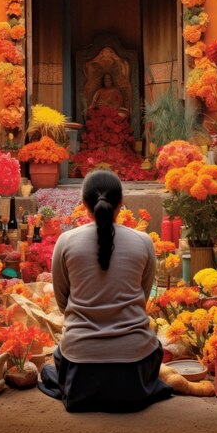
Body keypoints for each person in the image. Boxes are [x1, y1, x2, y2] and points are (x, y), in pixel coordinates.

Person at [38, 170, 173, 412]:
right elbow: (142, 297)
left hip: (80, 365)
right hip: (135, 366)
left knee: (51, 366)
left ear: (83, 204)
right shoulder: (143, 242)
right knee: (155, 350)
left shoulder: (66, 241)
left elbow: (62, 301)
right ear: (121, 203)